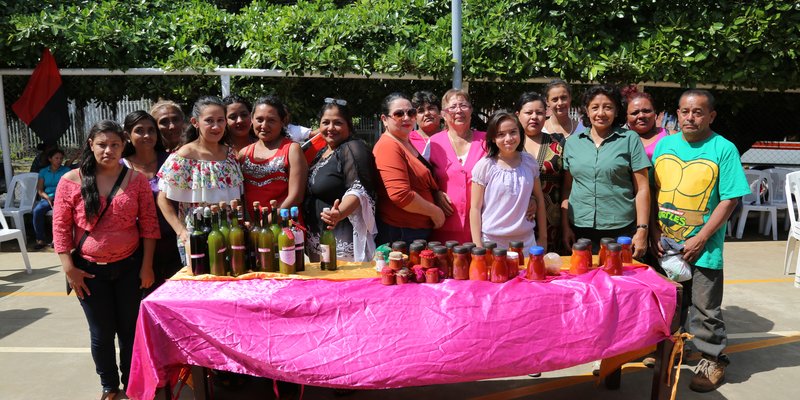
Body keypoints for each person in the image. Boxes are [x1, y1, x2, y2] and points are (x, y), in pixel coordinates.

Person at [651, 90, 749, 393]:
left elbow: (731, 198)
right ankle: (675, 350)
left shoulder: (723, 149)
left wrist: (702, 237)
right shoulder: (665, 145)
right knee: (671, 303)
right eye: (683, 111)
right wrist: (655, 232)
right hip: (666, 246)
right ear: (676, 114)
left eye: (697, 112)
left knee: (705, 307)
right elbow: (654, 192)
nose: (689, 118)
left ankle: (713, 359)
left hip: (703, 248)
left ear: (711, 116)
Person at [53, 120, 159, 399]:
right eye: (102, 144)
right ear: (91, 145)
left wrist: (146, 266)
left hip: (129, 267)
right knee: (101, 332)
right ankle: (109, 387)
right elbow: (61, 228)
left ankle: (132, 384)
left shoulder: (135, 180)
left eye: (115, 145)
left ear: (124, 146)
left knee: (129, 331)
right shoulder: (70, 181)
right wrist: (70, 270)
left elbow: (149, 225)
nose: (108, 150)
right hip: (88, 271)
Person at [561, 84, 651, 255]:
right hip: (580, 230)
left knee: (619, 279)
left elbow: (642, 188)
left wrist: (642, 230)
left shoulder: (629, 139)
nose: (601, 113)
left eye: (608, 107)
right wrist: (565, 227)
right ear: (586, 111)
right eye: (594, 107)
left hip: (621, 232)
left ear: (617, 111)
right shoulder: (573, 143)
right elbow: (567, 189)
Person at [157, 96, 243, 270]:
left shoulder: (230, 155)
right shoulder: (184, 156)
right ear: (195, 122)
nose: (216, 126)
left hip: (230, 236)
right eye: (209, 121)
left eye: (220, 120)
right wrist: (182, 232)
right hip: (196, 239)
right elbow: (163, 198)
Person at [304, 99, 378, 262]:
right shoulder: (322, 151)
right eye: (326, 122)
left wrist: (340, 213)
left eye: (337, 123)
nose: (330, 128)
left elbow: (359, 189)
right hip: (318, 239)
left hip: (341, 240)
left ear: (349, 126)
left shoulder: (352, 148)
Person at [121, 110, 182, 294]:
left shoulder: (171, 161)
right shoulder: (120, 167)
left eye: (151, 130)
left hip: (173, 244)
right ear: (127, 135)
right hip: (137, 249)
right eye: (139, 130)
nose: (147, 135)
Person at [373, 92, 444, 244]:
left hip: (412, 232)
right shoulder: (388, 146)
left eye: (411, 113)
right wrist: (435, 212)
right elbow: (401, 195)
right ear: (385, 119)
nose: (406, 118)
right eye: (399, 114)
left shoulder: (404, 141)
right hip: (401, 235)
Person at [470, 111, 547, 249]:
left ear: (520, 133)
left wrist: (543, 237)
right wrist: (478, 245)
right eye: (501, 134)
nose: (508, 138)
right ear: (493, 138)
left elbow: (539, 199)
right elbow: (475, 208)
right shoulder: (484, 166)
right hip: (492, 244)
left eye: (513, 132)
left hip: (527, 242)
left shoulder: (530, 163)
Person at [427, 89, 487, 243]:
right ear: (443, 114)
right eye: (452, 107)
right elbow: (422, 179)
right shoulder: (434, 143)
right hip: (444, 229)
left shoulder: (486, 141)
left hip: (481, 228)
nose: (459, 110)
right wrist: (435, 194)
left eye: (464, 105)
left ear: (471, 110)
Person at [238, 95, 307, 213]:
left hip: (284, 224)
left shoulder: (292, 150)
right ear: (252, 120)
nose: (264, 126)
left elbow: (296, 197)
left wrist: (270, 220)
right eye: (259, 120)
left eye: (271, 120)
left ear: (282, 122)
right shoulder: (244, 153)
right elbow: (241, 195)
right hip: (252, 227)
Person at [516, 91, 565, 253]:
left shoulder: (558, 143)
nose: (534, 117)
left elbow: (567, 183)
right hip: (518, 217)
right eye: (528, 113)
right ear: (518, 115)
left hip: (552, 219)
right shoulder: (509, 144)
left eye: (539, 113)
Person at [33, 147, 71, 249]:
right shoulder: (43, 171)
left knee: (57, 213)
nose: (59, 161)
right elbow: (40, 190)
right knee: (37, 211)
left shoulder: (66, 170)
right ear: (50, 159)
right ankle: (40, 239)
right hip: (47, 197)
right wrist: (47, 198)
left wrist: (59, 197)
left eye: (61, 158)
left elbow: (69, 187)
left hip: (62, 198)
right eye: (56, 158)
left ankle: (56, 240)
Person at [623, 89, 669, 160]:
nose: (641, 116)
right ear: (626, 117)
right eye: (635, 113)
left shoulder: (670, 136)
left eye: (646, 111)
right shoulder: (617, 141)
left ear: (654, 113)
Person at [409, 90, 442, 156]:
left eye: (431, 108)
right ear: (415, 117)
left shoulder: (451, 138)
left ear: (440, 113)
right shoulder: (407, 140)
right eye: (421, 111)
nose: (427, 113)